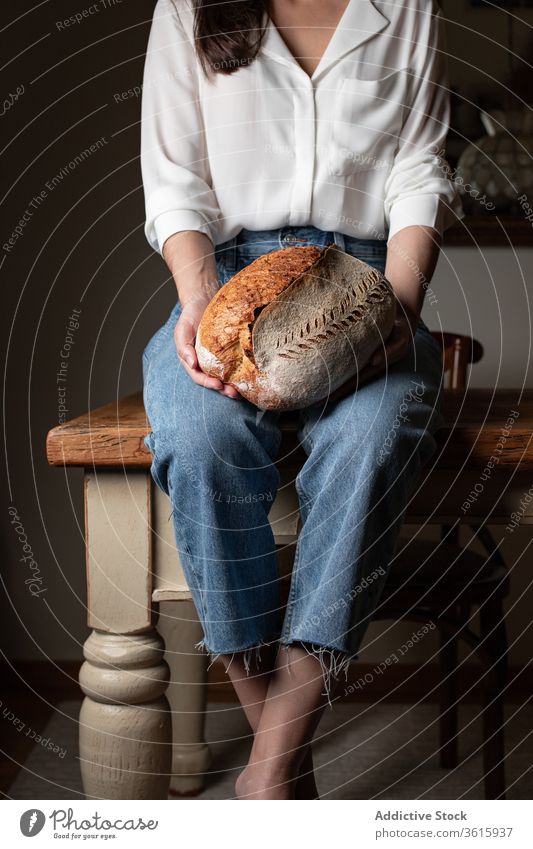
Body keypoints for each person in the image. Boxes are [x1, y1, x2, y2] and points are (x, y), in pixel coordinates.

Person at [140, 0, 464, 799]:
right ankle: (280, 759)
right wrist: (197, 301)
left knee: (373, 438)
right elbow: (174, 177)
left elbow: (420, 167)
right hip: (226, 275)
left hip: (364, 276)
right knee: (198, 437)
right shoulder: (185, 5)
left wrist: (399, 305)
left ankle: (266, 772)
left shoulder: (407, 6)